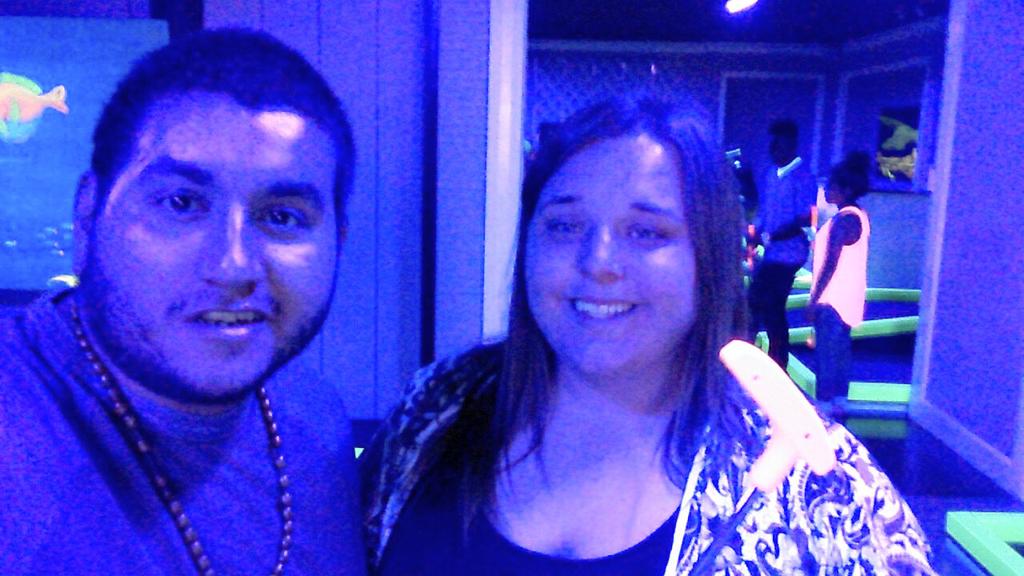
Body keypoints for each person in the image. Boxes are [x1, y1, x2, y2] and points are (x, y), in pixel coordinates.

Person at [361, 99, 935, 575]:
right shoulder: (438, 405)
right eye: (564, 224)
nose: (598, 262)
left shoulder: (818, 484)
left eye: (646, 232)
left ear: (707, 257)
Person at [0, 29, 366, 575]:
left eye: (282, 216)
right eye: (181, 203)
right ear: (88, 215)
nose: (233, 265)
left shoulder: (316, 418)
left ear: (337, 242)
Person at [748, 119, 818, 368]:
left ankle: (777, 364)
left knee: (770, 305)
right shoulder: (771, 174)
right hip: (773, 252)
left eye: (779, 143)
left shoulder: (803, 177)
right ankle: (758, 360)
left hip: (789, 254)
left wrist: (772, 235)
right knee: (759, 304)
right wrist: (756, 231)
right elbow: (765, 211)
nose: (774, 148)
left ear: (791, 144)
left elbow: (803, 217)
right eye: (773, 143)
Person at [809, 152, 872, 413]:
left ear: (846, 189)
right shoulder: (859, 216)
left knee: (826, 357)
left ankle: (824, 409)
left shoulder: (843, 220)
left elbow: (830, 263)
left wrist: (814, 299)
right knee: (840, 355)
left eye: (831, 185)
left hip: (832, 299)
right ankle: (838, 406)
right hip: (848, 298)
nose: (826, 189)